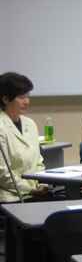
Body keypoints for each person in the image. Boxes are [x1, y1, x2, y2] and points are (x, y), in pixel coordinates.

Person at [0, 72, 48, 203]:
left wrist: (43, 184)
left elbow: (38, 162)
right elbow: (3, 173)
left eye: (28, 96)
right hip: (10, 197)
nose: (27, 102)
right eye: (21, 97)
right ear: (5, 99)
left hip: (35, 193)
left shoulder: (30, 124)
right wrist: (29, 190)